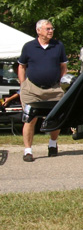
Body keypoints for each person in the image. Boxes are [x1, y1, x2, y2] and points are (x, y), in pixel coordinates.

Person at [17, 19, 67, 162]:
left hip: (54, 89)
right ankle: (28, 151)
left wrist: (61, 82)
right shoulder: (29, 47)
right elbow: (21, 66)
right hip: (32, 89)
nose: (51, 31)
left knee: (55, 118)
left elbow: (63, 66)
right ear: (39, 31)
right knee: (30, 119)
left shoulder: (58, 46)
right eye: (48, 29)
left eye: (52, 28)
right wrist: (23, 84)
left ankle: (52, 144)